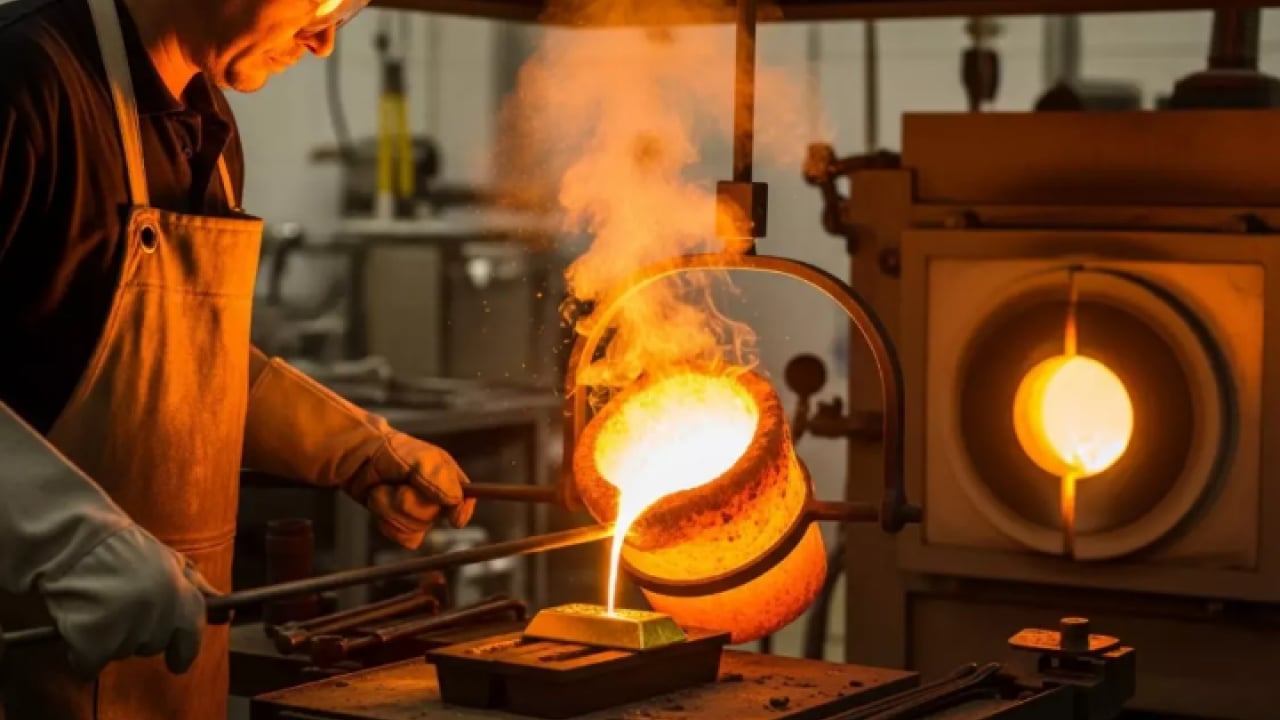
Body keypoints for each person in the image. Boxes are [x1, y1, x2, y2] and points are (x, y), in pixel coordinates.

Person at [0, 0, 476, 716]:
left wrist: (348, 445)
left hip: (176, 681)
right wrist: (64, 542)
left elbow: (180, 364)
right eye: (321, 2)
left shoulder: (210, 131)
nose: (322, 41)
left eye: (346, 14)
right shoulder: (24, 81)